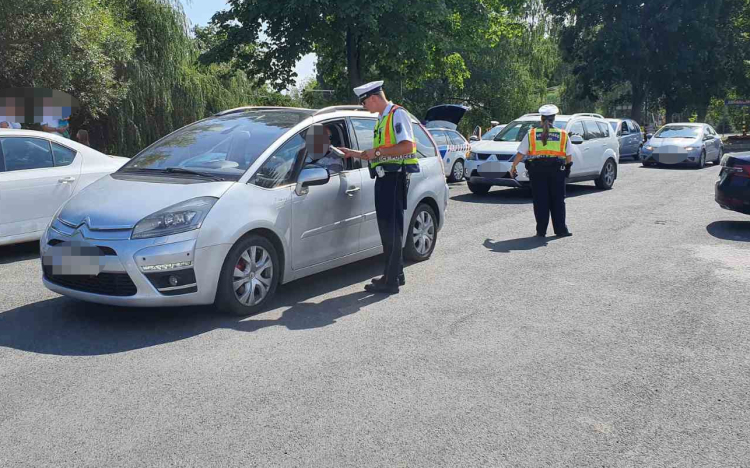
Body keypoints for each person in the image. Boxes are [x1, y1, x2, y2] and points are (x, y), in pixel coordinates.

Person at [339, 81, 420, 294]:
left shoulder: (397, 114)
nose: (365, 106)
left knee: (390, 230)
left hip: (393, 178)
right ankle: (396, 274)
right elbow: (378, 151)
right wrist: (353, 153)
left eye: (365, 102)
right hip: (385, 178)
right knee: (389, 229)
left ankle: (390, 281)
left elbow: (407, 146)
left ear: (373, 97)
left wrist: (376, 153)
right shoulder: (383, 118)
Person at [509, 104, 573, 238]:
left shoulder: (531, 134)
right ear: (554, 119)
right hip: (557, 170)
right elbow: (569, 155)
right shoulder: (562, 134)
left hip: (537, 171)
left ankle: (541, 231)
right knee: (558, 200)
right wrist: (567, 168)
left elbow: (521, 153)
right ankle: (561, 230)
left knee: (540, 201)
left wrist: (513, 166)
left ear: (541, 119)